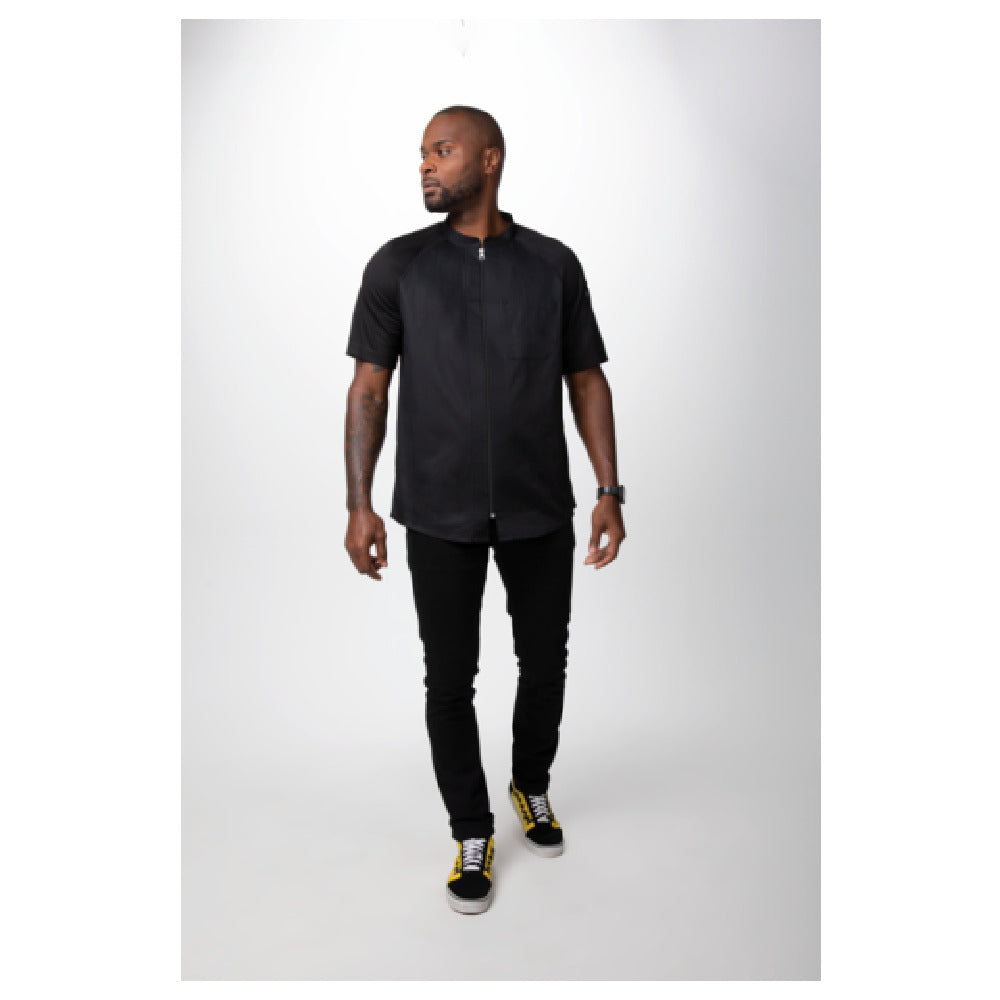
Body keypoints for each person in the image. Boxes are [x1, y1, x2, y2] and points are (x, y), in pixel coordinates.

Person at [343, 105, 625, 915]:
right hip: (438, 512)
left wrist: (609, 490)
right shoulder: (398, 266)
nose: (426, 166)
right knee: (449, 679)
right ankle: (472, 829)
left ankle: (529, 784)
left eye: (442, 150)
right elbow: (368, 390)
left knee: (545, 663)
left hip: (539, 507)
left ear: (490, 159)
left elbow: (586, 379)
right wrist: (360, 505)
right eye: (422, 153)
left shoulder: (552, 265)